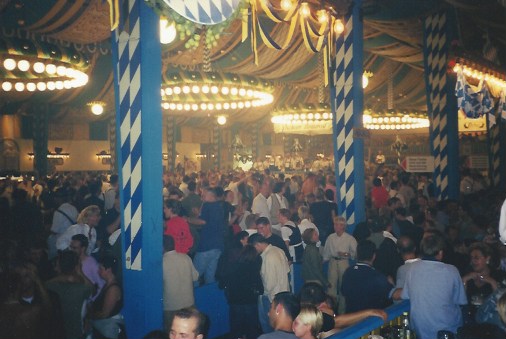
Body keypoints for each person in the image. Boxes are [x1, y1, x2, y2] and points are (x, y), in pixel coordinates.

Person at [400, 233, 467, 339]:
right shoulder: (451, 270)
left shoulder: (412, 269)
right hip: (447, 331)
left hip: (420, 329)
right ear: (440, 253)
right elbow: (461, 301)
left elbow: (406, 295)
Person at [45, 250, 94, 339]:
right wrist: (80, 272)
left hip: (61, 333)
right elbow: (91, 288)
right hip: (76, 333)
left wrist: (62, 276)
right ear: (76, 266)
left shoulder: (54, 286)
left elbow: (45, 284)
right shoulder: (81, 289)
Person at [248, 233, 290, 334]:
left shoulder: (267, 257)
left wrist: (262, 293)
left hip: (271, 298)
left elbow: (269, 284)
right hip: (284, 293)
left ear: (257, 245)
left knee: (268, 326)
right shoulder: (278, 250)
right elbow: (287, 270)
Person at [222, 244, 263, 339]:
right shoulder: (253, 268)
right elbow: (260, 287)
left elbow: (224, 282)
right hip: (249, 301)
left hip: (235, 301)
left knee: (236, 328)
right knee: (252, 328)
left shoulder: (233, 266)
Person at [341, 240, 393, 313]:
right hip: (371, 320)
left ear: (357, 255)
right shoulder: (377, 276)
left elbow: (343, 291)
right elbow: (392, 295)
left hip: (351, 318)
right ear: (374, 256)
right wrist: (391, 283)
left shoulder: (348, 271)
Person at [162, 235, 199, 330]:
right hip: (189, 303)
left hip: (171, 306)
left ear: (162, 247)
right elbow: (196, 277)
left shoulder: (162, 263)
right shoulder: (185, 257)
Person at [322, 216, 357, 314]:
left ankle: (342, 311)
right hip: (333, 261)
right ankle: (330, 311)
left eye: (339, 225)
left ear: (343, 226)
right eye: (335, 224)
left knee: (343, 287)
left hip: (344, 262)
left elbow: (355, 254)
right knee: (331, 287)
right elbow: (326, 253)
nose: (336, 226)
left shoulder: (350, 239)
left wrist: (346, 254)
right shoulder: (330, 237)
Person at [87, 255, 124, 339]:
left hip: (108, 331)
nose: (98, 271)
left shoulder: (113, 289)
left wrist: (89, 316)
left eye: (101, 268)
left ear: (109, 270)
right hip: (104, 329)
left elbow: (104, 314)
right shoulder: (107, 285)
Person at [193, 187, 225, 284]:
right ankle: (210, 297)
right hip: (218, 246)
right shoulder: (219, 206)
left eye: (204, 195)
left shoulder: (208, 205)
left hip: (206, 246)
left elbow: (202, 221)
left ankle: (193, 298)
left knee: (194, 276)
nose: (202, 197)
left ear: (211, 196)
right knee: (210, 277)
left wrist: (187, 219)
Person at [69, 234, 105, 299]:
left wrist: (91, 301)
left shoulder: (92, 263)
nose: (71, 250)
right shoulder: (72, 260)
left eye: (74, 248)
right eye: (71, 247)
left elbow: (101, 285)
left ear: (83, 248)